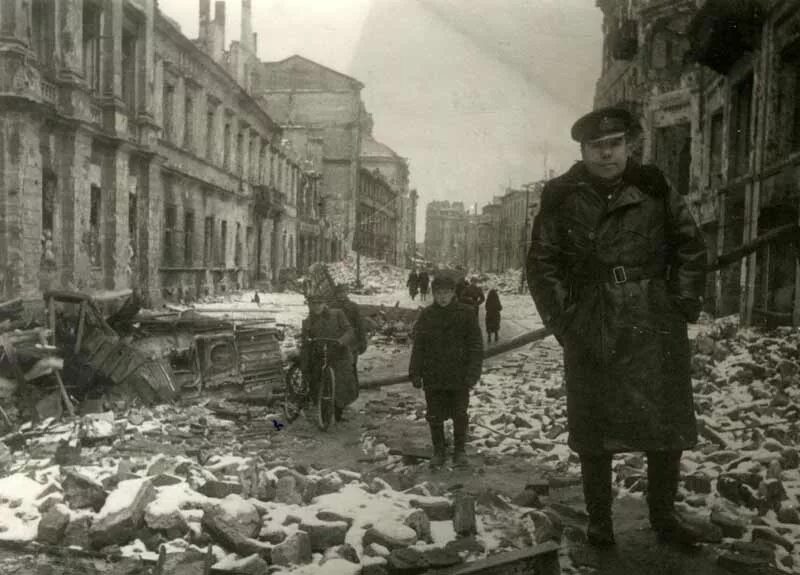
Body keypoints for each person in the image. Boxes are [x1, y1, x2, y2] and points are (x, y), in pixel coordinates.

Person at [526, 106, 707, 547]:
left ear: (629, 146)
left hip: (654, 322)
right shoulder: (562, 196)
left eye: (614, 145)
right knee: (595, 431)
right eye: (596, 147)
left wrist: (679, 303)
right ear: (583, 150)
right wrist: (566, 322)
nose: (606, 154)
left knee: (664, 427)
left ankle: (663, 518)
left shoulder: (654, 189)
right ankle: (600, 522)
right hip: (593, 323)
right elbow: (542, 263)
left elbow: (689, 245)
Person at [409, 271, 484, 468]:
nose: (442, 297)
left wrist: (473, 373)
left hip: (459, 376)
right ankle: (439, 451)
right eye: (438, 293)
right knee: (434, 415)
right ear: (433, 294)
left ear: (453, 293)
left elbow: (476, 346)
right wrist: (415, 372)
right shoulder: (427, 315)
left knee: (460, 413)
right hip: (433, 375)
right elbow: (419, 346)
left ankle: (459, 451)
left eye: (446, 293)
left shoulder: (466, 313)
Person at [300, 291, 358, 423]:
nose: (316, 307)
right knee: (316, 381)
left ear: (325, 304)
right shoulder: (307, 322)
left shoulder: (337, 314)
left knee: (342, 382)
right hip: (320, 356)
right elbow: (305, 345)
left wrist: (341, 341)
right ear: (309, 305)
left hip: (339, 354)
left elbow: (349, 331)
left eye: (319, 303)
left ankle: (339, 412)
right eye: (312, 304)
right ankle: (323, 413)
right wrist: (305, 366)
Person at [332, 283, 369, 397]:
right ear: (337, 294)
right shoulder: (332, 306)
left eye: (343, 292)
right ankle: (339, 394)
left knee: (351, 368)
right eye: (339, 293)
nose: (341, 295)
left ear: (346, 293)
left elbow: (360, 325)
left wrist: (362, 342)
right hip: (337, 342)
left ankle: (353, 393)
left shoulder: (353, 307)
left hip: (352, 343)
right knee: (338, 369)